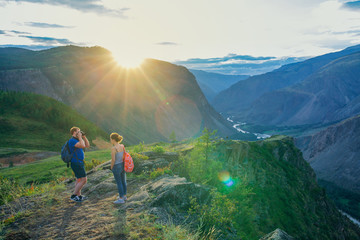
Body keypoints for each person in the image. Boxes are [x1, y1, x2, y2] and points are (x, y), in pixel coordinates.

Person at [69, 126, 90, 202]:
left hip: (79, 162)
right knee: (84, 180)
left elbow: (87, 145)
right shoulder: (72, 141)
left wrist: (84, 137)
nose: (80, 132)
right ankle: (73, 195)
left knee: (79, 180)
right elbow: (82, 145)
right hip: (76, 162)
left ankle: (79, 196)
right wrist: (80, 138)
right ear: (74, 132)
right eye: (78, 131)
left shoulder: (77, 140)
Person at [110, 133, 127, 204]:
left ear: (113, 139)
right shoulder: (122, 146)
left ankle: (121, 199)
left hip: (116, 166)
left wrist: (111, 167)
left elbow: (113, 160)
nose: (110, 140)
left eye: (110, 139)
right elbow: (124, 156)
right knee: (123, 181)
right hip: (122, 164)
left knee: (119, 182)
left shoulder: (113, 148)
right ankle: (124, 196)